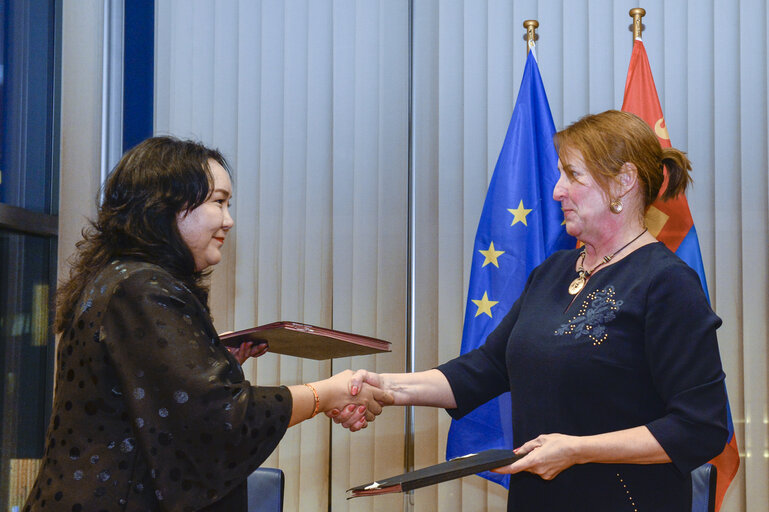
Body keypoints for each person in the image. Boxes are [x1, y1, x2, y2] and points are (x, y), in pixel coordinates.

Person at [334, 110, 729, 511]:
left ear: (623, 182)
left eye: (572, 175)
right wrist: (382, 387)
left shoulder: (666, 282)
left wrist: (577, 450)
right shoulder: (553, 272)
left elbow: (701, 427)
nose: (557, 190)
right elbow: (484, 369)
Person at [23, 137, 390, 512]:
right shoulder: (142, 288)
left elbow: (161, 400)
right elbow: (219, 421)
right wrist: (325, 393)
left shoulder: (120, 278)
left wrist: (209, 363)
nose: (228, 221)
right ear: (165, 206)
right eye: (218, 202)